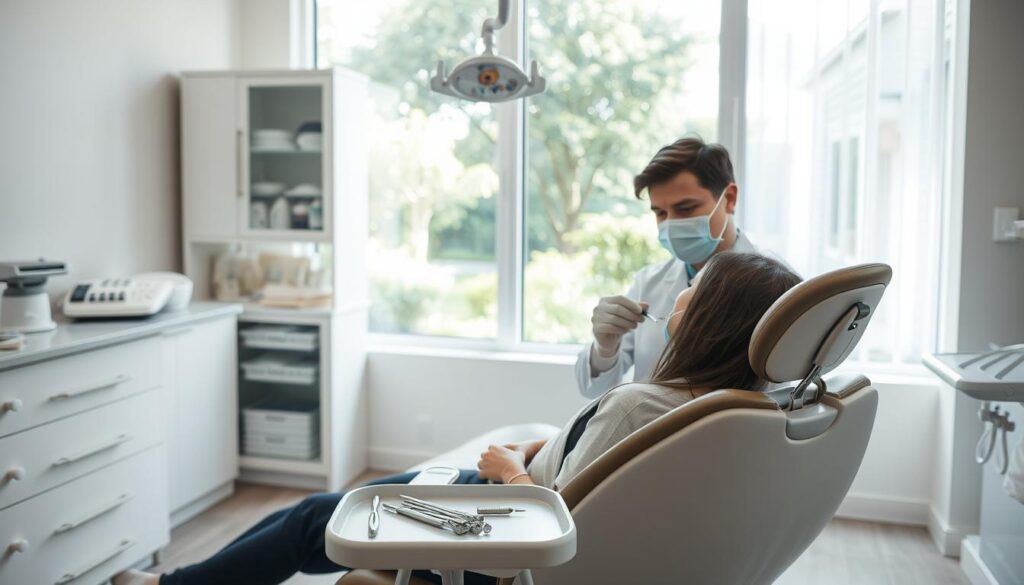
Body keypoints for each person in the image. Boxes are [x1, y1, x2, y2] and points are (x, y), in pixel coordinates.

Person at [114, 253, 800, 585]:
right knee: (319, 506)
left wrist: (508, 470)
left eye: (696, 293)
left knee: (309, 520)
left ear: (713, 319)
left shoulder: (643, 403)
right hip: (517, 491)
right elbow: (611, 473)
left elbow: (554, 523)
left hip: (498, 532)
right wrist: (553, 447)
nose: (680, 295)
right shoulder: (725, 409)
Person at [576, 136, 758, 400]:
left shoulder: (775, 286)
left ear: (729, 198)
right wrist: (605, 347)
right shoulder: (648, 284)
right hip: (648, 435)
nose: (670, 224)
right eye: (660, 213)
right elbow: (594, 390)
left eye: (685, 208)